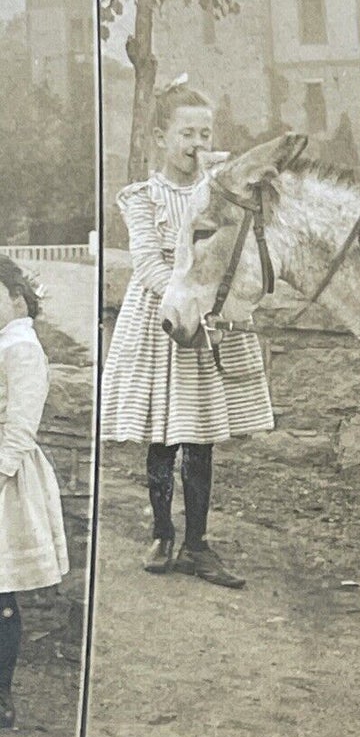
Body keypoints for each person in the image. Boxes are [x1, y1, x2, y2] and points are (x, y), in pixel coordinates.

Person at [99, 77, 272, 588]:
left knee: (201, 436)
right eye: (186, 135)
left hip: (208, 322)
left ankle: (197, 542)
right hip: (163, 322)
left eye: (205, 133)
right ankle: (161, 532)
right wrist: (182, 303)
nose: (197, 145)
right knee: (163, 434)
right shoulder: (143, 198)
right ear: (159, 137)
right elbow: (149, 264)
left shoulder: (215, 189)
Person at [0, 257, 68, 730]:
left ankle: (2, 698)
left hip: (6, 481)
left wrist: (1, 469)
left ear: (17, 298)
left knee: (1, 596)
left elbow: (22, 424)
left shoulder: (22, 346)